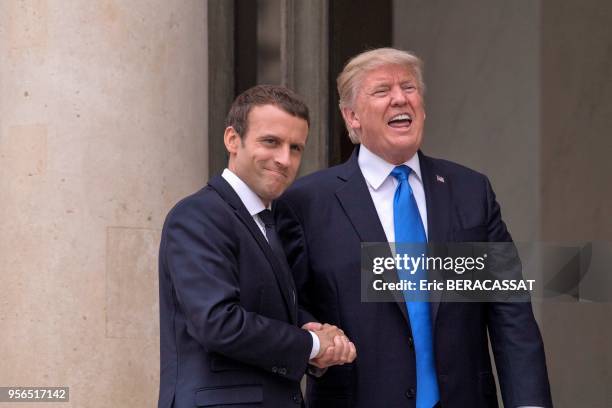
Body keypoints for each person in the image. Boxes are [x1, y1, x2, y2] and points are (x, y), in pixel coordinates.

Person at [275, 48, 552, 408]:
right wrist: (315, 343)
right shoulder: (307, 203)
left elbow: (510, 311)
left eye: (408, 87)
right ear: (352, 116)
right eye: (382, 90)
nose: (400, 98)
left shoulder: (469, 192)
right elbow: (286, 305)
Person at [158, 85, 356, 408]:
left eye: (295, 148)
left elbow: (262, 309)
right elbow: (218, 322)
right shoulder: (198, 215)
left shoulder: (266, 220)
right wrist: (311, 344)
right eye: (271, 142)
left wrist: (309, 328)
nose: (284, 159)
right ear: (232, 140)